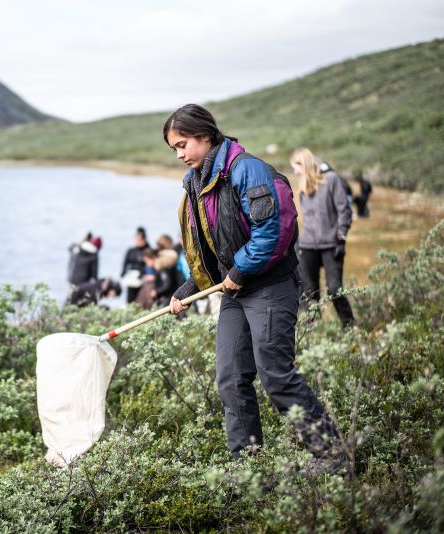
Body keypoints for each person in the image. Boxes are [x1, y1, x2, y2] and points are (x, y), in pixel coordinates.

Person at [164, 104, 346, 475]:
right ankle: (248, 466)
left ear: (205, 135)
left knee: (275, 374)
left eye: (183, 144)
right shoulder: (196, 182)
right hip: (236, 291)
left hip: (270, 285)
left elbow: (274, 230)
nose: (180, 154)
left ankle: (331, 453)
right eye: (174, 149)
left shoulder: (247, 169)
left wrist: (242, 269)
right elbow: (212, 247)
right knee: (231, 378)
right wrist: (187, 289)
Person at [290, 149, 356, 327]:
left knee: (334, 289)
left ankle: (349, 327)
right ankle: (312, 332)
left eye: (296, 167)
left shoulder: (332, 180)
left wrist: (341, 238)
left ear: (304, 164)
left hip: (331, 245)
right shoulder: (303, 188)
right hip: (307, 246)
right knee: (309, 293)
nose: (295, 172)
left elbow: (344, 211)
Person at [120, 227, 152, 304]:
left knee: (141, 300)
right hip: (132, 279)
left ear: (144, 240)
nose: (138, 242)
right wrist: (123, 275)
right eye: (136, 239)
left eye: (140, 240)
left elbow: (150, 265)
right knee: (130, 300)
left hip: (143, 280)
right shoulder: (131, 251)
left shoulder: (148, 250)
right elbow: (125, 264)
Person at [150, 234, 181, 307]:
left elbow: (167, 283)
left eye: (160, 245)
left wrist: (156, 292)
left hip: (171, 294)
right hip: (174, 291)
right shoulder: (174, 254)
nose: (158, 248)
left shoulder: (168, 258)